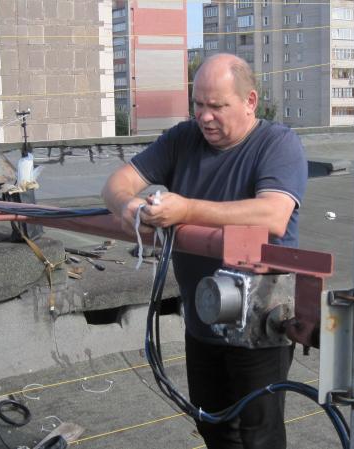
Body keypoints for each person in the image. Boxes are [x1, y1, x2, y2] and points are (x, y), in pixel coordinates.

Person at [102, 53, 307, 449]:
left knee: (259, 436)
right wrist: (127, 207)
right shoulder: (182, 139)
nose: (205, 117)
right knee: (212, 424)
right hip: (204, 316)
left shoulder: (278, 144)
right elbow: (116, 183)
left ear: (249, 101)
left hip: (258, 323)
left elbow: (273, 215)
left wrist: (187, 210)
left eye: (217, 106)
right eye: (198, 105)